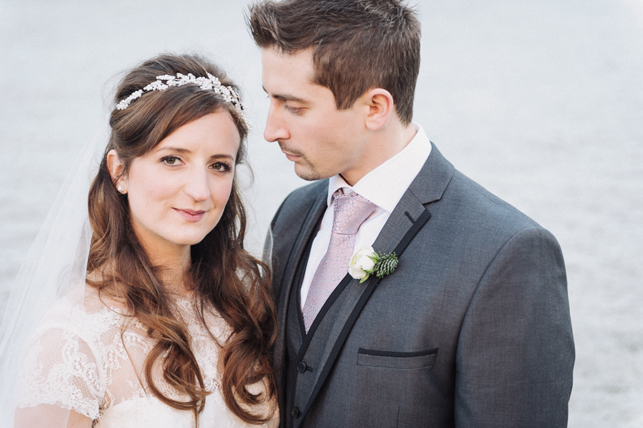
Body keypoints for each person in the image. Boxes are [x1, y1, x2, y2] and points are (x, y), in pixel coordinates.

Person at [246, 1, 575, 427]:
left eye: (294, 106)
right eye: (270, 99)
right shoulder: (292, 217)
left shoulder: (507, 256)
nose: (272, 130)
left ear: (376, 108)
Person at [0, 54, 278, 428]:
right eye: (172, 160)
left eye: (218, 165)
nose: (200, 191)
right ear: (120, 172)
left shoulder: (240, 309)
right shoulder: (70, 342)